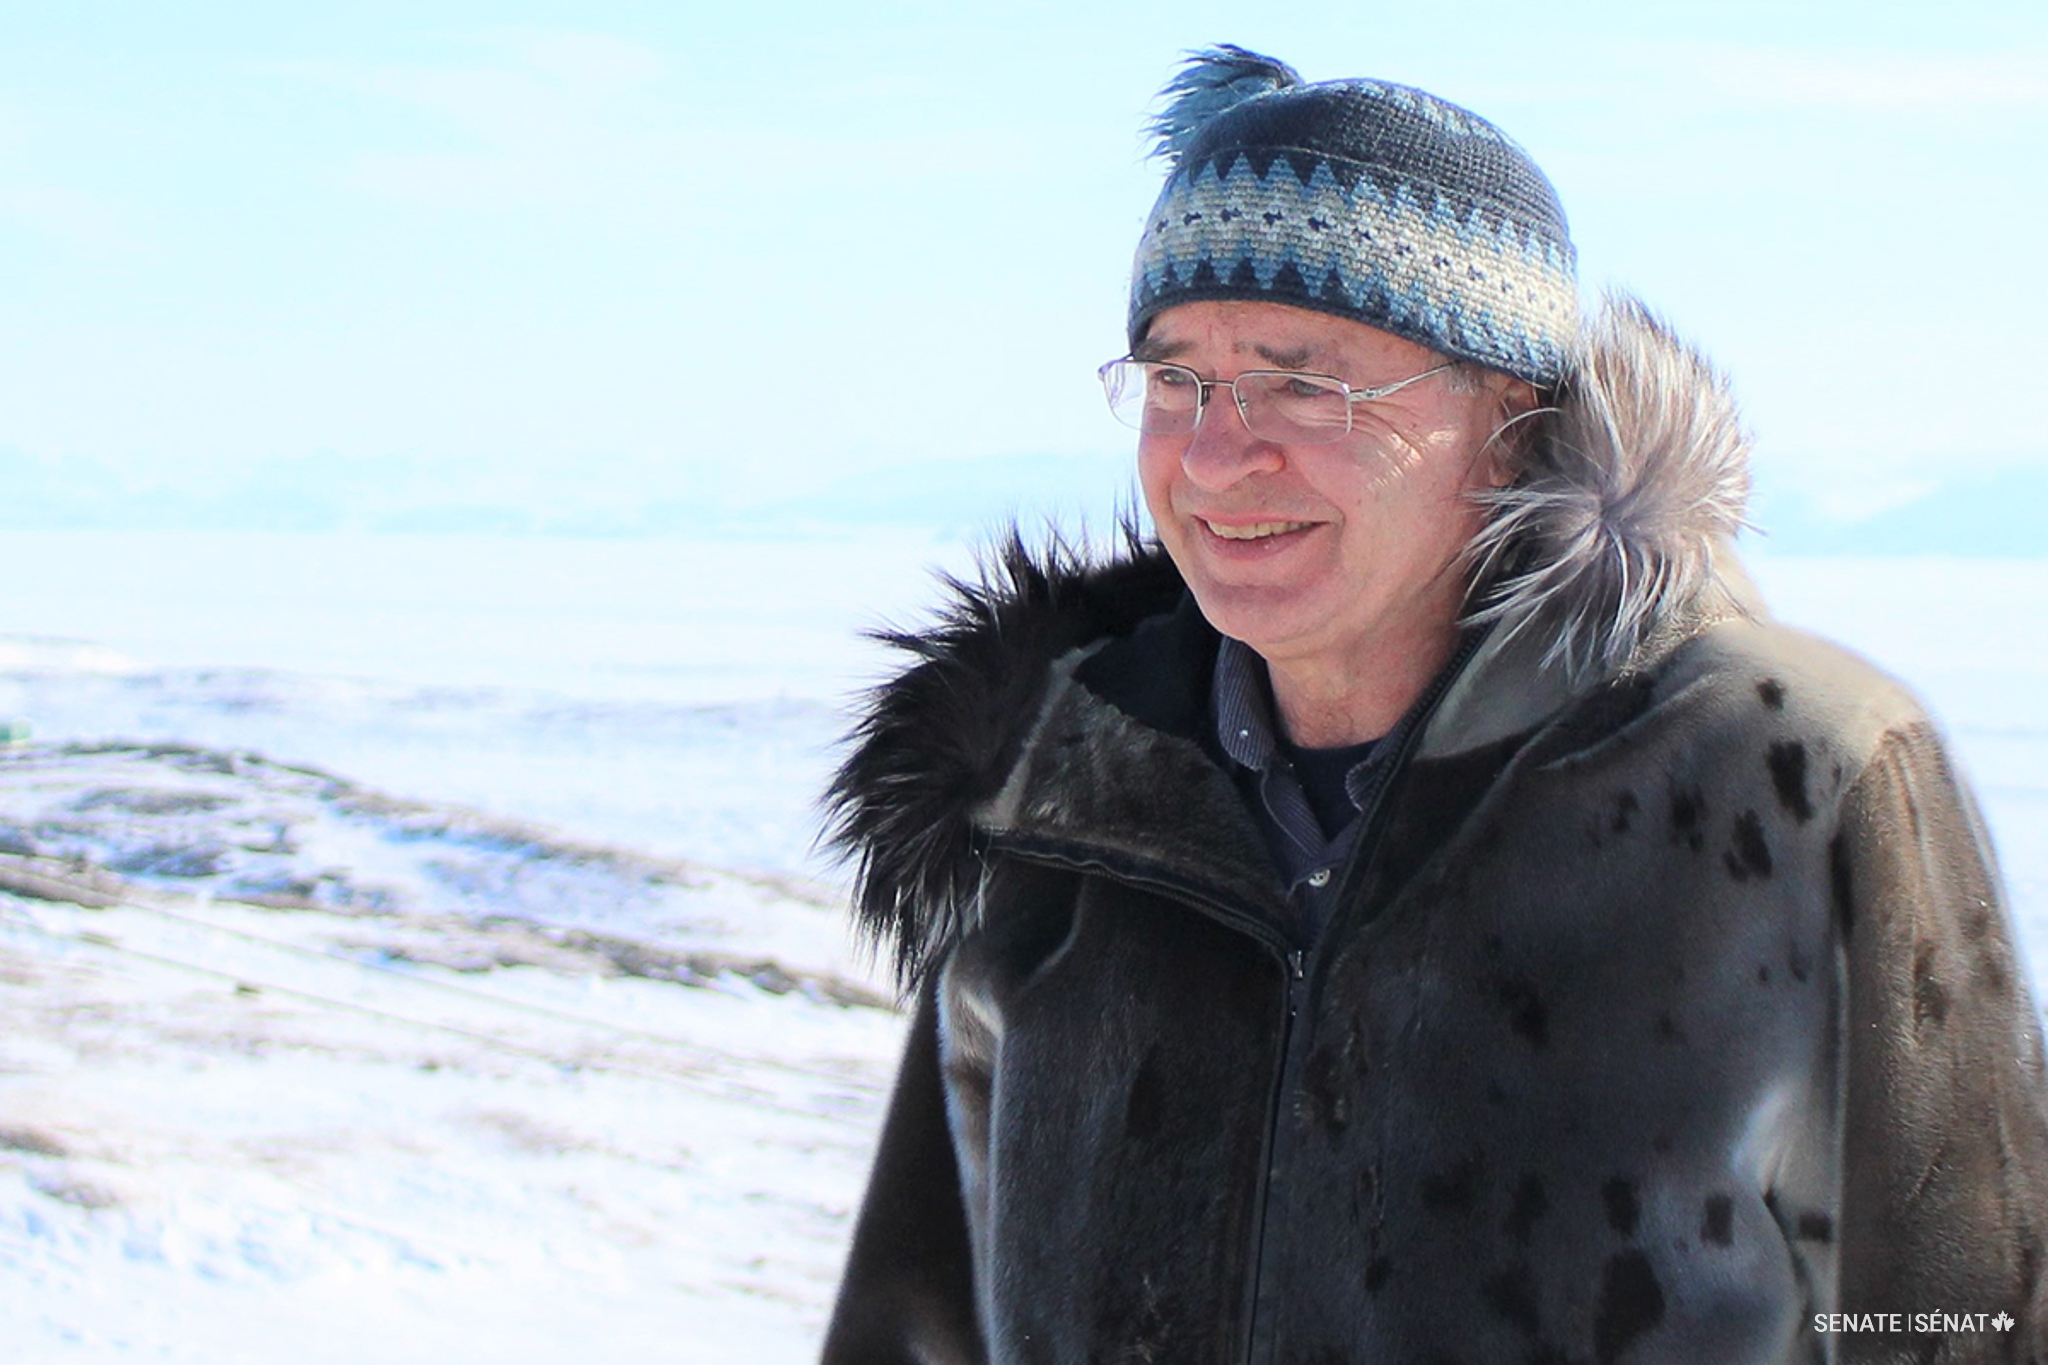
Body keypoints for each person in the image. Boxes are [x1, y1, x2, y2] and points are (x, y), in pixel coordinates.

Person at [818, 45, 2048, 1365]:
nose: (1219, 453)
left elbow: (1965, 1319)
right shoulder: (1057, 794)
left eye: (1304, 378)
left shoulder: (1787, 775)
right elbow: (916, 1328)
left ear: (1509, 419)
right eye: (1176, 379)